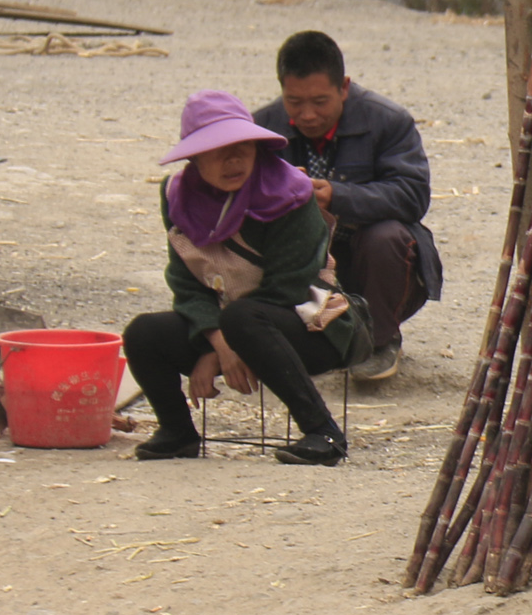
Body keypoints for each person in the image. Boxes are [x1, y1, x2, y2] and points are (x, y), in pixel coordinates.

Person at [122, 91, 365, 465]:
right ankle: (177, 433)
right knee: (144, 333)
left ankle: (324, 432)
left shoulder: (290, 194)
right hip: (236, 327)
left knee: (244, 317)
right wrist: (215, 344)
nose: (234, 160)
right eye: (218, 151)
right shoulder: (177, 196)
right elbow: (186, 283)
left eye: (243, 147)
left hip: (312, 327)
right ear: (195, 158)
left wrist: (222, 350)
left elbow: (290, 288)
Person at [251, 30, 442, 383]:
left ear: (344, 88)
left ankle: (376, 342)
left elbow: (413, 195)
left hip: (372, 268)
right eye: (294, 102)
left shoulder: (388, 120)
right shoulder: (261, 128)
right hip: (300, 263)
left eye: (320, 101)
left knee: (387, 237)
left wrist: (337, 197)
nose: (307, 114)